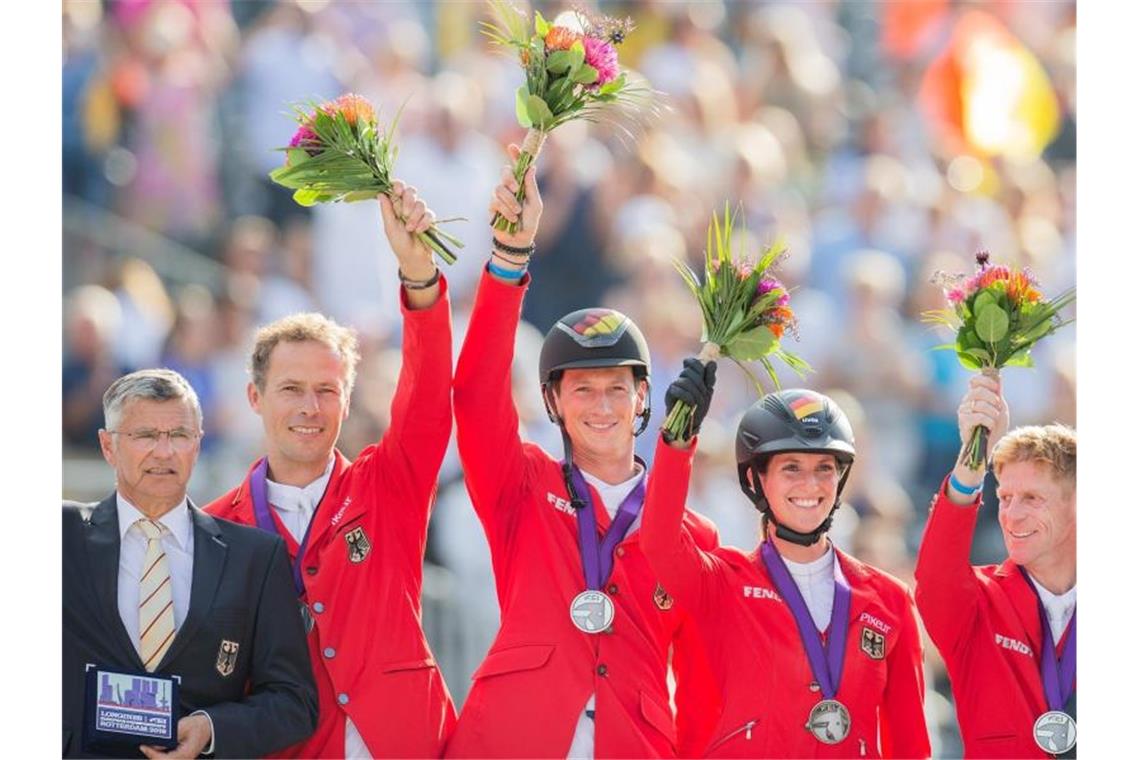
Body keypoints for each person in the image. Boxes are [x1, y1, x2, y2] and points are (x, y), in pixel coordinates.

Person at [445, 148, 721, 758]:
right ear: (553, 402)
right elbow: (477, 395)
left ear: (643, 396)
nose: (602, 406)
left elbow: (705, 685)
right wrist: (509, 260)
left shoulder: (691, 532)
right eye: (583, 390)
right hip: (517, 736)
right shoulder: (521, 484)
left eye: (617, 389)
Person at [204, 183, 456, 758]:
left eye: (326, 390)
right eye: (291, 389)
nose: (309, 408)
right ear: (254, 397)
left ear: (347, 401)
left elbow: (426, 401)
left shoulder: (388, 486)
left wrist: (419, 277)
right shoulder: (214, 530)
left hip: (408, 742)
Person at [641, 365, 931, 758]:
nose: (810, 485)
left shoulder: (890, 600)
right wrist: (677, 443)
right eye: (791, 468)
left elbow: (910, 746)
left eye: (824, 469)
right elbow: (659, 543)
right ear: (758, 480)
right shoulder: (720, 582)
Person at [63, 369, 317, 758]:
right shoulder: (59, 535)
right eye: (145, 435)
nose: (164, 452)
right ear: (108, 446)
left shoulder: (254, 557)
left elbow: (293, 702)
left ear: (197, 445)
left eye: (179, 435)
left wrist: (211, 729)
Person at [914, 374, 1076, 758]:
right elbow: (936, 576)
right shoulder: (979, 604)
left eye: (1032, 498)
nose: (1012, 516)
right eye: (1004, 497)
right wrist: (975, 453)